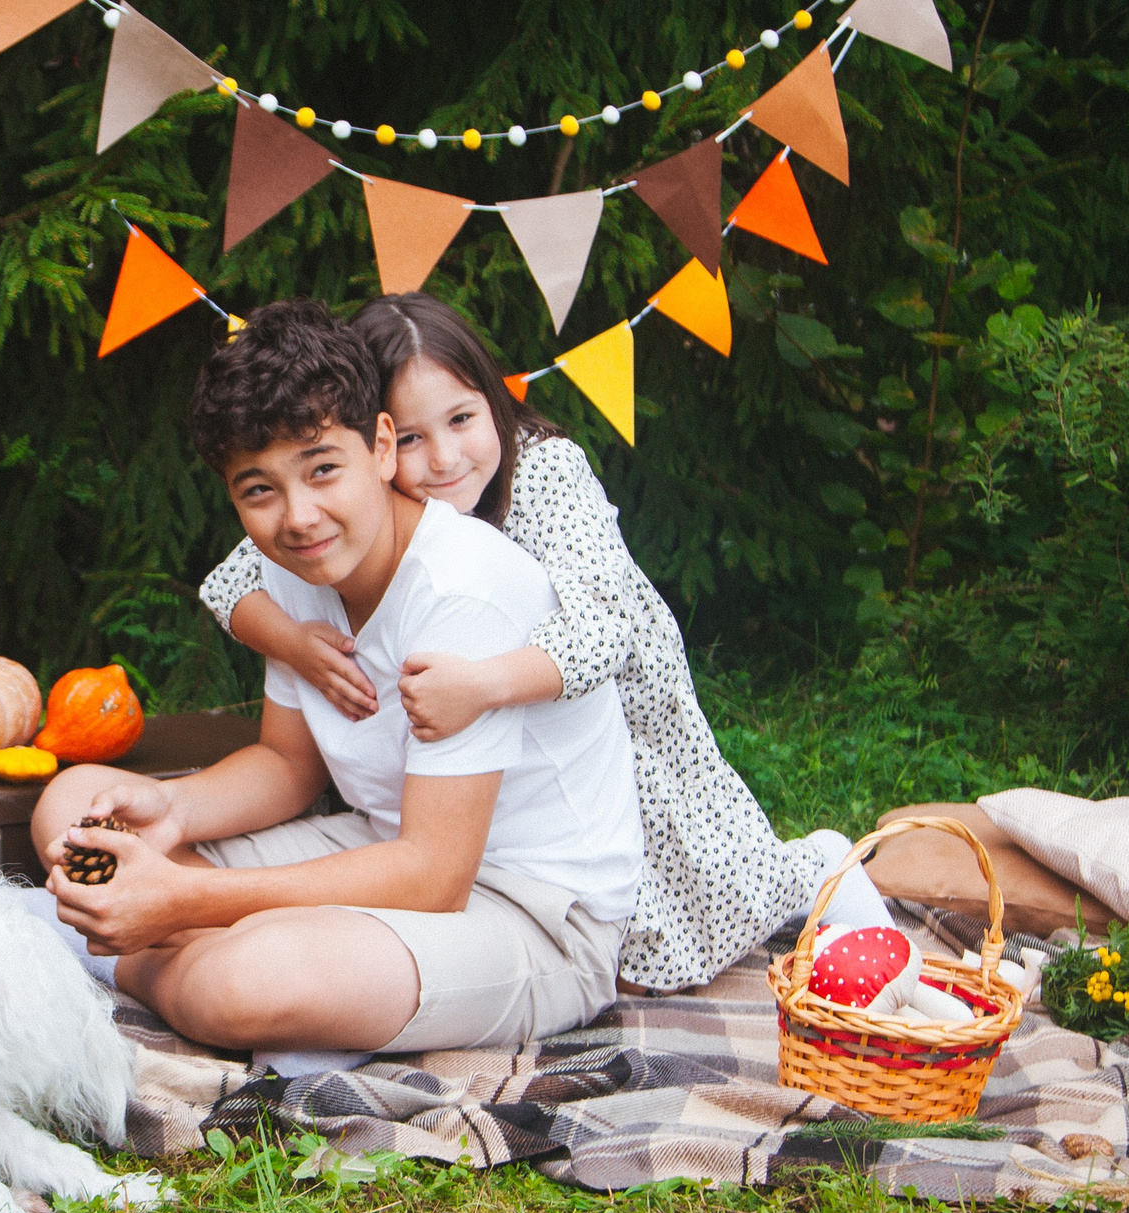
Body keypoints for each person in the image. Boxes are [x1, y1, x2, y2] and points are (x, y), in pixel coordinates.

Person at [196, 292, 891, 993]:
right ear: (378, 443)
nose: (443, 458)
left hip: (606, 696)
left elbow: (602, 629)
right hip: (510, 732)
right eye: (411, 438)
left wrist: (483, 683)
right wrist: (293, 642)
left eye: (462, 419)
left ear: (494, 404)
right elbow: (230, 583)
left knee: (696, 872)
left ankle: (815, 872)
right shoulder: (353, 509)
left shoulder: (544, 473)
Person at [31, 299, 643, 1062]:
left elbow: (436, 876)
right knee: (72, 804)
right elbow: (288, 766)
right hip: (380, 842)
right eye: (260, 490)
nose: (299, 515)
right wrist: (172, 807)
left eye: (324, 469)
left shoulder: (465, 586)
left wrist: (187, 899)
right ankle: (174, 940)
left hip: (531, 910)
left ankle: (142, 949)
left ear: (381, 447)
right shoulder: (295, 566)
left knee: (243, 980)